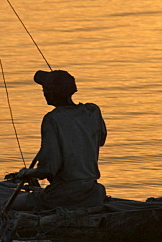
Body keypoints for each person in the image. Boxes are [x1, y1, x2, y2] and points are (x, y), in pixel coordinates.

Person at [7, 69, 107, 210]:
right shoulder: (92, 111)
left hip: (64, 196)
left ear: (50, 94)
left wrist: (26, 173)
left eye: (44, 89)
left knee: (8, 205)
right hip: (93, 193)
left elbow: (48, 169)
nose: (43, 93)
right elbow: (100, 140)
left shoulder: (52, 119)